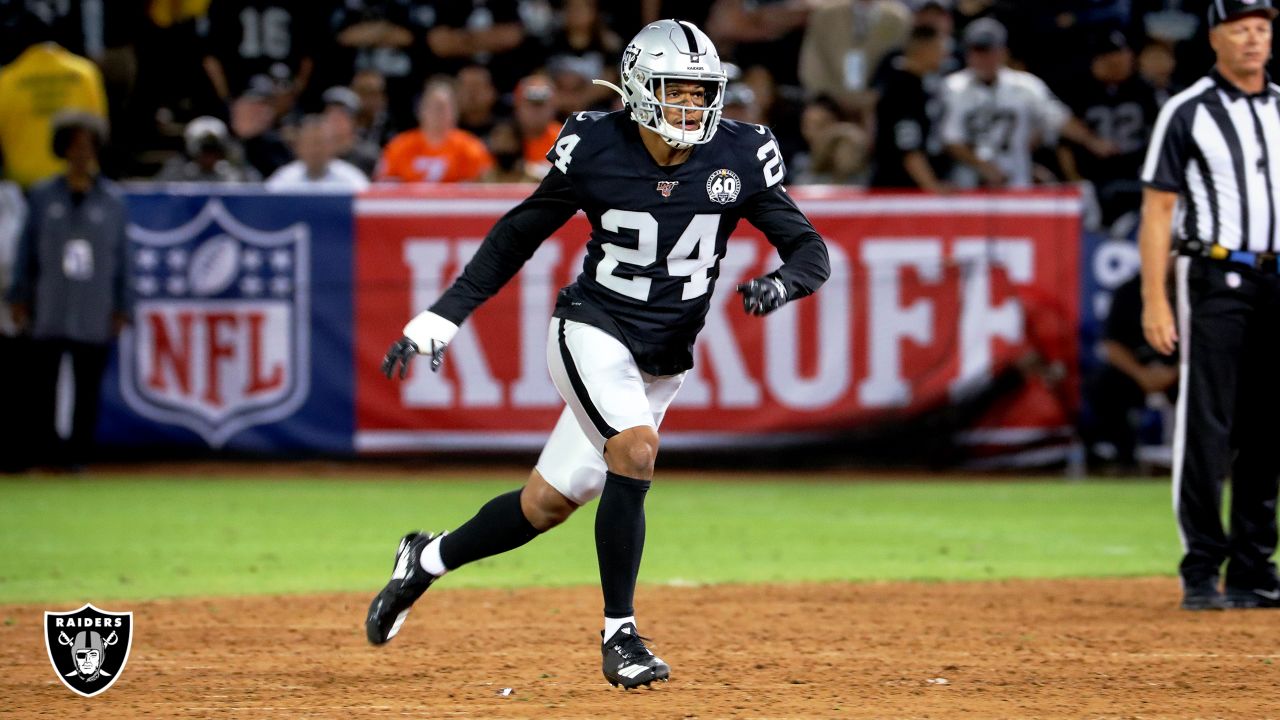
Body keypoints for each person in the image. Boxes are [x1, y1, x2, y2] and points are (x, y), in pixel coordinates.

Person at [365, 19, 830, 689]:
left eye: (702, 94)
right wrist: (444, 317)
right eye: (678, 92)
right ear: (641, 89)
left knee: (548, 503)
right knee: (635, 451)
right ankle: (622, 636)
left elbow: (810, 250)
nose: (693, 108)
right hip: (591, 325)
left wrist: (784, 284)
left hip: (661, 357)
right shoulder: (594, 145)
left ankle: (425, 559)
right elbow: (517, 234)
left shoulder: (741, 152)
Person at [1139, 0, 1280, 611]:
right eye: (1240, 29)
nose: (1253, 39)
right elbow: (1158, 209)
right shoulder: (1188, 110)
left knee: (1267, 429)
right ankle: (1202, 567)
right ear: (1215, 37)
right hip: (1215, 273)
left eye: (1262, 28)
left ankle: (1254, 568)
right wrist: (1155, 297)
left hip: (1275, 276)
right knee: (1208, 423)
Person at [7, 111, 131, 469]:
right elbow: (26, 251)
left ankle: (79, 456)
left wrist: (124, 305)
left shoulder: (111, 200)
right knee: (41, 385)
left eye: (87, 146)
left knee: (87, 386)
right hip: (51, 303)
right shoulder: (44, 196)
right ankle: (43, 451)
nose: (81, 154)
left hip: (94, 305)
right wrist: (19, 295)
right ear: (62, 149)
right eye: (74, 146)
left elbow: (123, 257)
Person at [940, 18, 1119, 189]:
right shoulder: (952, 88)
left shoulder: (1026, 86)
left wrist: (1092, 140)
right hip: (967, 188)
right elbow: (950, 139)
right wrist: (983, 167)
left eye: (989, 51)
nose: (983, 59)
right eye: (977, 51)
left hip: (1015, 183)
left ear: (1003, 52)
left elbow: (1058, 119)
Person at [0, 11, 108, 189]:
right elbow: (99, 128)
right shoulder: (85, 72)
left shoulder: (7, 79)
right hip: (77, 180)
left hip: (23, 184)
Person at [1083, 274, 1178, 471]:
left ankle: (1207, 462)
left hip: (1181, 372)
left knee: (1212, 385)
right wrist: (1141, 374)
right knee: (1102, 386)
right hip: (1137, 372)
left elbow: (1208, 344)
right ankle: (1126, 458)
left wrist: (1176, 371)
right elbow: (1111, 344)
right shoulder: (1129, 291)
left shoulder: (1197, 289)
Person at [869, 24, 950, 190]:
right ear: (924, 49)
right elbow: (908, 146)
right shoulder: (902, 88)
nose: (944, 55)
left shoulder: (916, 83)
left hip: (905, 188)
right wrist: (933, 186)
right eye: (939, 48)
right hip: (896, 189)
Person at [376, 77, 493, 183]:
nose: (438, 114)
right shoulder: (399, 146)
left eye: (443, 108)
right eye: (433, 107)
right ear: (421, 110)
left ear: (455, 112)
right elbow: (384, 183)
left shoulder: (471, 148)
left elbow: (484, 185)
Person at [266, 115, 370, 192]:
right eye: (309, 143)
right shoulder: (284, 179)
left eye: (320, 143)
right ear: (299, 147)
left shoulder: (351, 179)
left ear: (332, 146)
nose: (315, 150)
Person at [156, 116, 260, 182]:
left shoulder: (232, 175)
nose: (209, 156)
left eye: (215, 150)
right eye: (204, 150)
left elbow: (257, 190)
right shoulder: (178, 174)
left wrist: (240, 163)